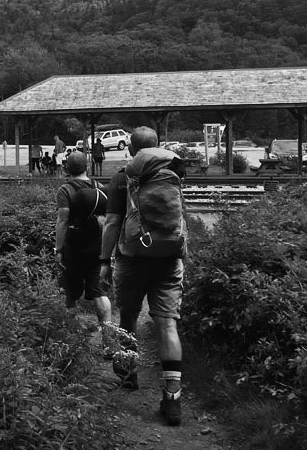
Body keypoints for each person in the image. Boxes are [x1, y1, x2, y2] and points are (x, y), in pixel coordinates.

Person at [99, 126, 186, 426]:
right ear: (158, 146)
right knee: (167, 325)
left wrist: (104, 261)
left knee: (129, 318)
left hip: (133, 257)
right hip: (169, 259)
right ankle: (172, 397)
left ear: (131, 149)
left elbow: (112, 222)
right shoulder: (172, 172)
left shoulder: (123, 176)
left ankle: (127, 376)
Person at [54, 151, 112, 327]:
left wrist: (58, 249)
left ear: (66, 168)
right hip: (96, 246)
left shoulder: (65, 190)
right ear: (86, 167)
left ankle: (72, 337)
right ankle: (109, 339)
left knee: (70, 293)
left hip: (73, 248)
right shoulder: (99, 187)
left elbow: (63, 220)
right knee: (98, 291)